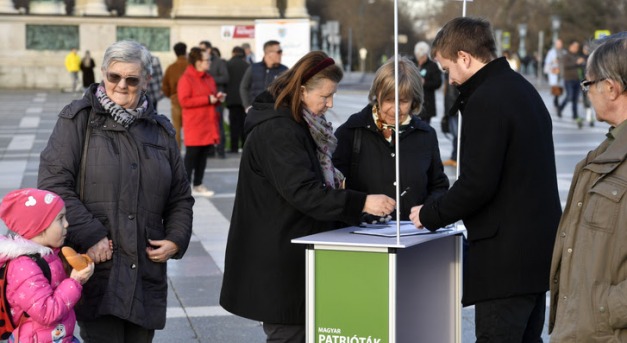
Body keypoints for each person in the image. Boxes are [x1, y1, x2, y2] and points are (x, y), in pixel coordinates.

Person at [220, 51, 396, 342]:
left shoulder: (297, 124)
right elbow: (304, 192)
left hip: (291, 252)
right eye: (325, 96)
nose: (330, 104)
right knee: (289, 334)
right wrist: (361, 201)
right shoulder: (279, 129)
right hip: (280, 260)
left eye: (333, 96)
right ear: (302, 90)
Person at [409, 17, 562, 342]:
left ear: (465, 57)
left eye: (448, 68)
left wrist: (428, 214)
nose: (449, 79)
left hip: (504, 260)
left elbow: (477, 184)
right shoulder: (521, 88)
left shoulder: (487, 100)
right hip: (536, 255)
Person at [37, 40, 194, 343]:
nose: (121, 85)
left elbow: (180, 197)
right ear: (103, 73)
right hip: (97, 271)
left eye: (132, 79)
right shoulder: (78, 119)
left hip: (146, 271)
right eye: (114, 77)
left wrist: (176, 238)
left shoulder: (160, 131)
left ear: (145, 81)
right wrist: (91, 234)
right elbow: (54, 185)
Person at [549, 35, 627, 342]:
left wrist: (605, 309)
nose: (587, 93)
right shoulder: (605, 151)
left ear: (611, 87)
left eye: (588, 84)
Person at [332, 57, 449, 222]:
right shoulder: (351, 132)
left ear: (414, 100)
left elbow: (439, 186)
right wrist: (362, 204)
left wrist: (428, 210)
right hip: (363, 237)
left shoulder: (426, 135)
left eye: (403, 101)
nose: (395, 110)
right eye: (388, 100)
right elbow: (332, 189)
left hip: (414, 238)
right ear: (376, 95)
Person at [0, 188, 94, 343]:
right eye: (60, 219)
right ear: (39, 226)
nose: (67, 224)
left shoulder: (50, 255)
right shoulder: (23, 267)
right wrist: (75, 281)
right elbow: (46, 313)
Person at [177, 47, 225, 197]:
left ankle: (198, 184)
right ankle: (184, 187)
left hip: (208, 123)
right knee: (191, 156)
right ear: (198, 62)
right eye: (207, 60)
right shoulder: (186, 78)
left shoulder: (208, 78)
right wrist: (207, 99)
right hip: (195, 123)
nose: (210, 62)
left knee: (203, 155)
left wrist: (217, 99)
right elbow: (184, 101)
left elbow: (211, 97)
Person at [199, 41, 230, 158]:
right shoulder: (199, 63)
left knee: (219, 124)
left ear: (209, 49)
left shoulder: (219, 62)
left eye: (203, 49)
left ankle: (221, 150)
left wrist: (209, 79)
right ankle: (210, 149)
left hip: (217, 98)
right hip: (205, 99)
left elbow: (225, 77)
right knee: (207, 124)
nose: (201, 51)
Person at [239, 40, 288, 113]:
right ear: (269, 54)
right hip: (256, 112)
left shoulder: (284, 70)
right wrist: (247, 106)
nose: (281, 54)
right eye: (279, 52)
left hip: (276, 113)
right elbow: (243, 87)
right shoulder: (253, 68)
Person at [162, 42, 187, 148]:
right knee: (189, 127)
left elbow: (165, 86)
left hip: (176, 99)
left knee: (176, 128)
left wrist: (171, 96)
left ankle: (177, 153)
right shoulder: (190, 66)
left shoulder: (171, 68)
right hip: (190, 99)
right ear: (185, 51)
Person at [557, 40, 586, 127]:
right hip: (568, 79)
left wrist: (582, 62)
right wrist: (576, 63)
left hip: (577, 80)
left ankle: (575, 114)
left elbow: (581, 66)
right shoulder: (566, 56)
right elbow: (565, 65)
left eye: (577, 47)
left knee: (575, 98)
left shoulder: (577, 56)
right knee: (569, 96)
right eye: (574, 47)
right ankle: (560, 108)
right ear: (570, 47)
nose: (576, 48)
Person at [226, 46, 249, 153]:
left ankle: (234, 147)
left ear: (233, 53)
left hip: (231, 99)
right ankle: (245, 145)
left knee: (233, 125)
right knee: (244, 124)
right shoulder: (247, 66)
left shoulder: (228, 64)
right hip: (244, 100)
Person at [413, 41, 442, 125]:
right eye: (418, 56)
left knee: (423, 128)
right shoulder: (412, 64)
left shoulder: (432, 66)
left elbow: (438, 82)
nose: (419, 59)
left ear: (425, 55)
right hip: (413, 103)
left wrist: (425, 82)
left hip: (427, 104)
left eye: (421, 56)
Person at [441, 72, 460, 167]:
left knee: (457, 134)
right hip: (450, 108)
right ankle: (454, 157)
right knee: (455, 134)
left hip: (454, 109)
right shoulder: (447, 73)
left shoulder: (455, 72)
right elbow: (446, 92)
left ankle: (457, 157)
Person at [544, 38, 565, 114]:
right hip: (554, 71)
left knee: (560, 87)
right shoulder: (551, 52)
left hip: (562, 72)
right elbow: (547, 62)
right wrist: (553, 63)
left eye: (560, 43)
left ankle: (556, 99)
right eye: (558, 44)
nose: (559, 45)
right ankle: (556, 100)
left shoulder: (564, 52)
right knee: (555, 87)